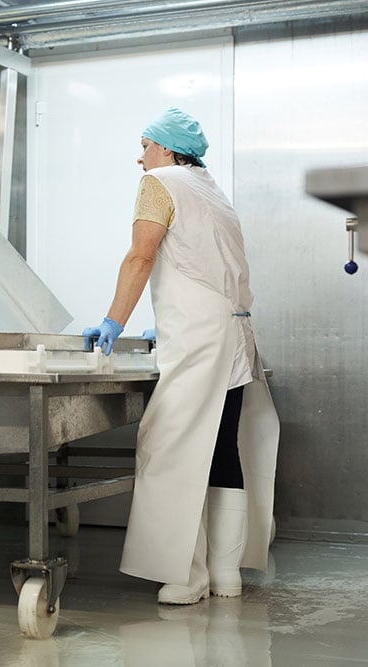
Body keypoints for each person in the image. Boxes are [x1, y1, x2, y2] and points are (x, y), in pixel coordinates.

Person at [82, 107, 280, 605]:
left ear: (167, 150)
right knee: (220, 447)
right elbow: (208, 265)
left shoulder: (160, 182)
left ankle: (187, 578)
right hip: (233, 333)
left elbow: (141, 256)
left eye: (145, 146)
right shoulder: (211, 190)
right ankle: (226, 575)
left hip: (199, 339)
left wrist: (114, 321)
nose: (140, 157)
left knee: (171, 446)